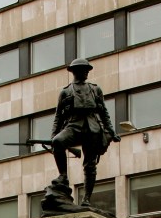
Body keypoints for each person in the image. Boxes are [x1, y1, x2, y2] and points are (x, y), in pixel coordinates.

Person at [51, 57, 119, 208]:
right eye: (84, 70)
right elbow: (58, 117)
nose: (87, 72)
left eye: (87, 70)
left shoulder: (95, 89)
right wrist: (53, 136)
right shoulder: (65, 92)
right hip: (73, 126)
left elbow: (104, 113)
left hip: (92, 128)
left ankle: (86, 199)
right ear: (75, 72)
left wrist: (111, 131)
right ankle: (63, 176)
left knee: (90, 165)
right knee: (58, 141)